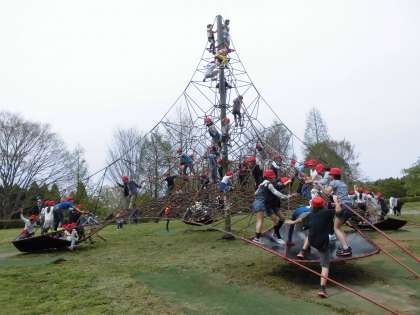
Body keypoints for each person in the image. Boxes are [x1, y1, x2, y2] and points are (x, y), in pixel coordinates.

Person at [286, 196, 343, 298]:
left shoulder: (310, 214)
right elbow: (338, 210)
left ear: (312, 205)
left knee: (311, 234)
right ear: (323, 205)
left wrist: (293, 222)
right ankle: (322, 289)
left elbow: (303, 222)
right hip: (322, 243)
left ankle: (302, 252)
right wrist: (335, 201)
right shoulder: (327, 213)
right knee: (325, 265)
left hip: (312, 240)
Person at [252, 169, 293, 245]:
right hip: (265, 204)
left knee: (281, 218)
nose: (273, 178)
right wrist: (286, 197)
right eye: (272, 177)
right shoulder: (269, 184)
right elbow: (276, 191)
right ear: (269, 177)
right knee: (273, 220)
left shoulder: (263, 184)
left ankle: (273, 234)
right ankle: (276, 236)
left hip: (266, 204)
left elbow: (255, 193)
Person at [325, 167, 353, 257]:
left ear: (333, 175)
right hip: (349, 206)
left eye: (330, 175)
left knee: (336, 228)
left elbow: (326, 192)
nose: (330, 176)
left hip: (343, 207)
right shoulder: (343, 183)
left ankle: (346, 249)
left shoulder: (333, 182)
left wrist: (318, 185)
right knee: (339, 227)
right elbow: (341, 197)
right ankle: (346, 246)